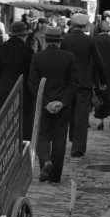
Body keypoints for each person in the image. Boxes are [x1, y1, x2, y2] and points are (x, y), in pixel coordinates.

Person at [28, 27, 78, 184]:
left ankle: (45, 161)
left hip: (44, 105)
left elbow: (33, 84)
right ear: (59, 41)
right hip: (62, 106)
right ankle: (55, 176)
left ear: (45, 40)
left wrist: (46, 103)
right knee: (59, 138)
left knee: (42, 135)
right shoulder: (69, 57)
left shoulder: (37, 57)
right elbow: (73, 83)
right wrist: (62, 102)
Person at [60, 13, 104, 158]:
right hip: (84, 82)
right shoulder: (89, 41)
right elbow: (98, 62)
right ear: (85, 26)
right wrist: (101, 81)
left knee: (67, 111)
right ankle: (77, 147)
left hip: (66, 81)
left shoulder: (64, 39)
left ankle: (68, 139)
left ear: (71, 24)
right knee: (81, 114)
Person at [0, 20, 34, 140]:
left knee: (5, 119)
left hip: (4, 90)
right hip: (23, 91)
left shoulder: (0, 48)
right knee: (24, 120)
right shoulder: (28, 51)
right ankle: (24, 145)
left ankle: (4, 143)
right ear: (24, 35)